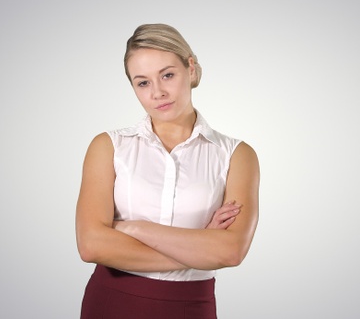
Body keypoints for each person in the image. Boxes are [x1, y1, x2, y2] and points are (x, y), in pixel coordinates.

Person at [75, 23, 260, 319]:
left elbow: (230, 251)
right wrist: (199, 244)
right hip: (111, 302)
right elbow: (91, 245)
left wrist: (133, 228)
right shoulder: (109, 146)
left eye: (168, 75)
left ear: (191, 69)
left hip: (190, 307)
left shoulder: (237, 155)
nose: (158, 92)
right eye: (143, 82)